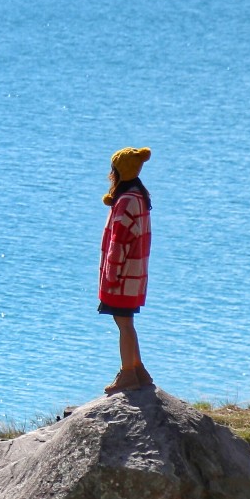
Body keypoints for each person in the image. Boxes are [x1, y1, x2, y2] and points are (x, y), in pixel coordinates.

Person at [98, 146, 154, 393]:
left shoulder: (126, 201)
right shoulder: (138, 196)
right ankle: (139, 369)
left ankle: (128, 374)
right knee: (127, 322)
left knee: (124, 324)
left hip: (123, 276)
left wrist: (111, 275)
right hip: (135, 274)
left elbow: (118, 242)